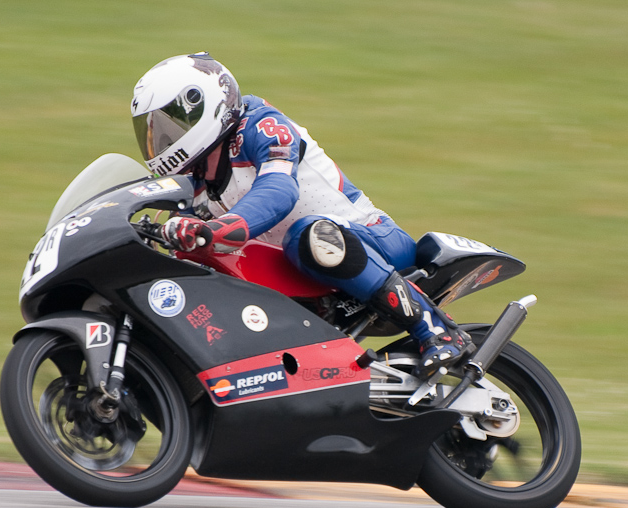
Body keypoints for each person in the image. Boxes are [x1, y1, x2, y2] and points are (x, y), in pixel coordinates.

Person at [130, 53, 473, 377]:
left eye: (168, 125)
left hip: (372, 240)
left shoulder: (260, 125)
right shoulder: (194, 179)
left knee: (307, 235)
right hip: (299, 273)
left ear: (204, 107)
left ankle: (437, 329)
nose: (159, 140)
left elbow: (278, 191)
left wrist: (217, 229)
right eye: (151, 130)